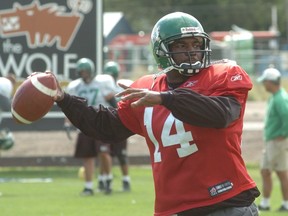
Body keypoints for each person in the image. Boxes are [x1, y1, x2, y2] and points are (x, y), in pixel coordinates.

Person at [52, 12, 259, 216]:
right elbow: (106, 128)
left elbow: (221, 115)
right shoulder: (147, 87)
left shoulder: (222, 75)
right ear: (162, 50)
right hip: (174, 208)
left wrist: (165, 98)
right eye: (182, 45)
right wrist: (63, 99)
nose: (192, 52)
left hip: (226, 202)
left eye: (196, 44)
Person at [65, 58, 117, 196]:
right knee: (87, 156)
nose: (84, 74)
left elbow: (113, 100)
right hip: (85, 125)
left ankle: (107, 178)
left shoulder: (102, 82)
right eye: (81, 72)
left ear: (91, 70)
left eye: (86, 71)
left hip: (101, 123)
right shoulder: (75, 86)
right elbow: (71, 108)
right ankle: (88, 186)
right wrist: (67, 122)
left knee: (104, 153)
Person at [257, 67, 288, 212]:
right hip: (274, 141)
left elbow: (287, 118)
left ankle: (267, 203)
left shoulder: (280, 98)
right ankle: (273, 203)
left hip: (277, 141)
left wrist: (283, 134)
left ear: (270, 82)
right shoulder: (277, 97)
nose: (263, 85)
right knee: (275, 171)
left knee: (270, 171)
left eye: (265, 82)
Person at [103, 61, 132, 192]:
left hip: (121, 124)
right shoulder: (102, 85)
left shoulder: (122, 85)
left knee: (121, 154)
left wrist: (113, 99)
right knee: (104, 153)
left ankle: (126, 180)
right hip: (108, 124)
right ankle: (105, 179)